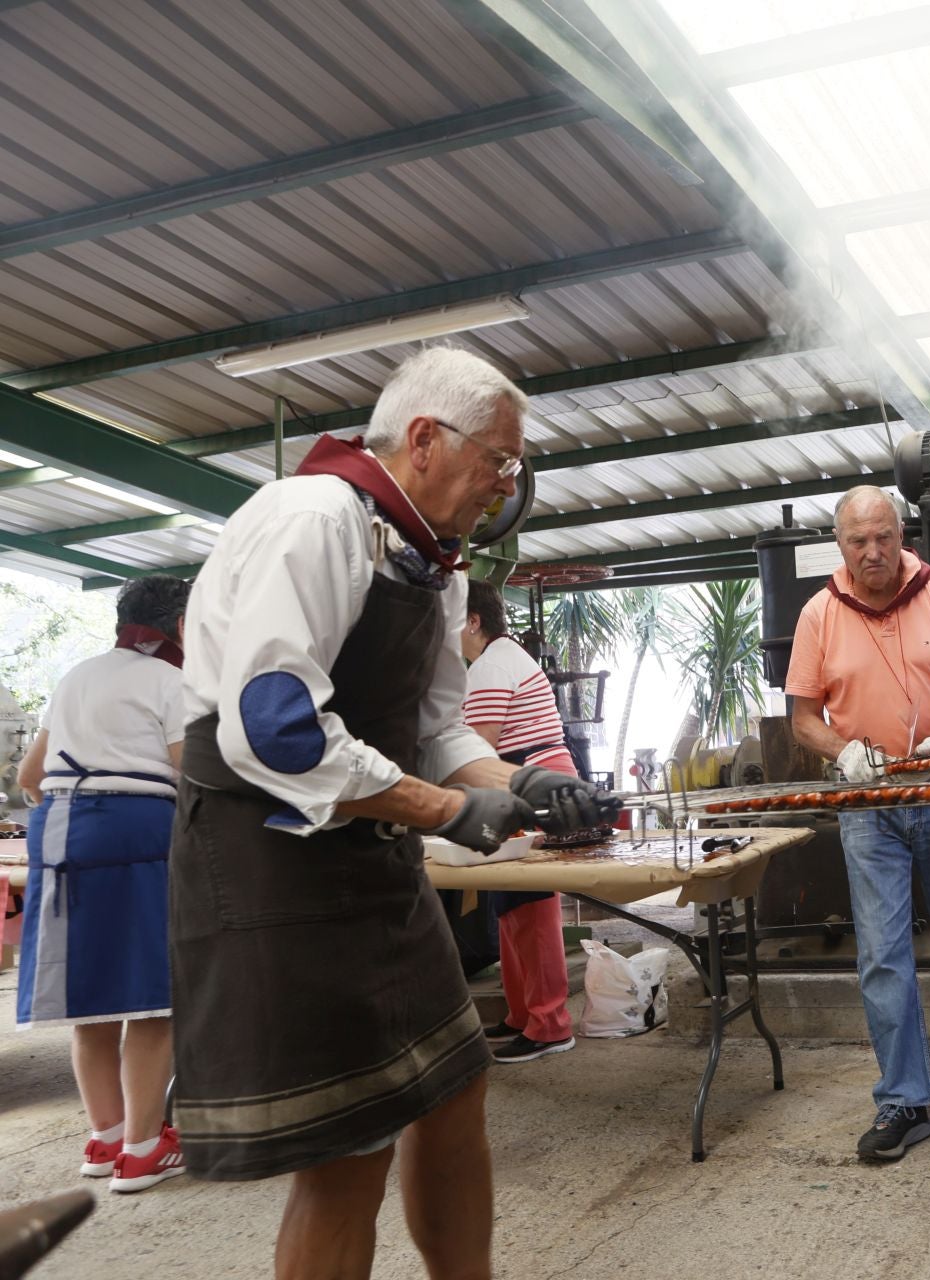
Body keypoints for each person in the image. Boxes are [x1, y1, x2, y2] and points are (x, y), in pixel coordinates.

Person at [169, 346, 618, 1280]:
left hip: (374, 858)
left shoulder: (434, 566)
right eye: (498, 459)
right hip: (273, 861)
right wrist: (448, 810)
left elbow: (436, 725)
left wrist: (524, 781)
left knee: (453, 1087)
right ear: (423, 439)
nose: (506, 484)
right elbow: (276, 729)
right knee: (351, 1152)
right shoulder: (315, 520)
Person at [784, 486, 930, 1162]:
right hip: (869, 806)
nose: (873, 552)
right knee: (881, 951)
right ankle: (904, 1098)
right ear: (840, 544)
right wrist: (841, 750)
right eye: (857, 541)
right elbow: (802, 718)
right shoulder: (819, 614)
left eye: (883, 537)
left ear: (901, 534)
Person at [14, 575, 193, 1194]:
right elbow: (188, 770)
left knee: (89, 1001)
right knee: (152, 998)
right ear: (179, 627)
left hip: (60, 832)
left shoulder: (75, 677)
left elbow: (30, 775)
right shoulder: (172, 680)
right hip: (138, 828)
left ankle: (106, 1139)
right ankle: (144, 1150)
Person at [459, 578, 576, 1064]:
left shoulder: (491, 666)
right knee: (509, 905)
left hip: (529, 781)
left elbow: (477, 749)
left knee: (530, 905)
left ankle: (550, 1024)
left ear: (472, 620)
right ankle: (523, 1013)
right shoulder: (499, 659)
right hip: (525, 780)